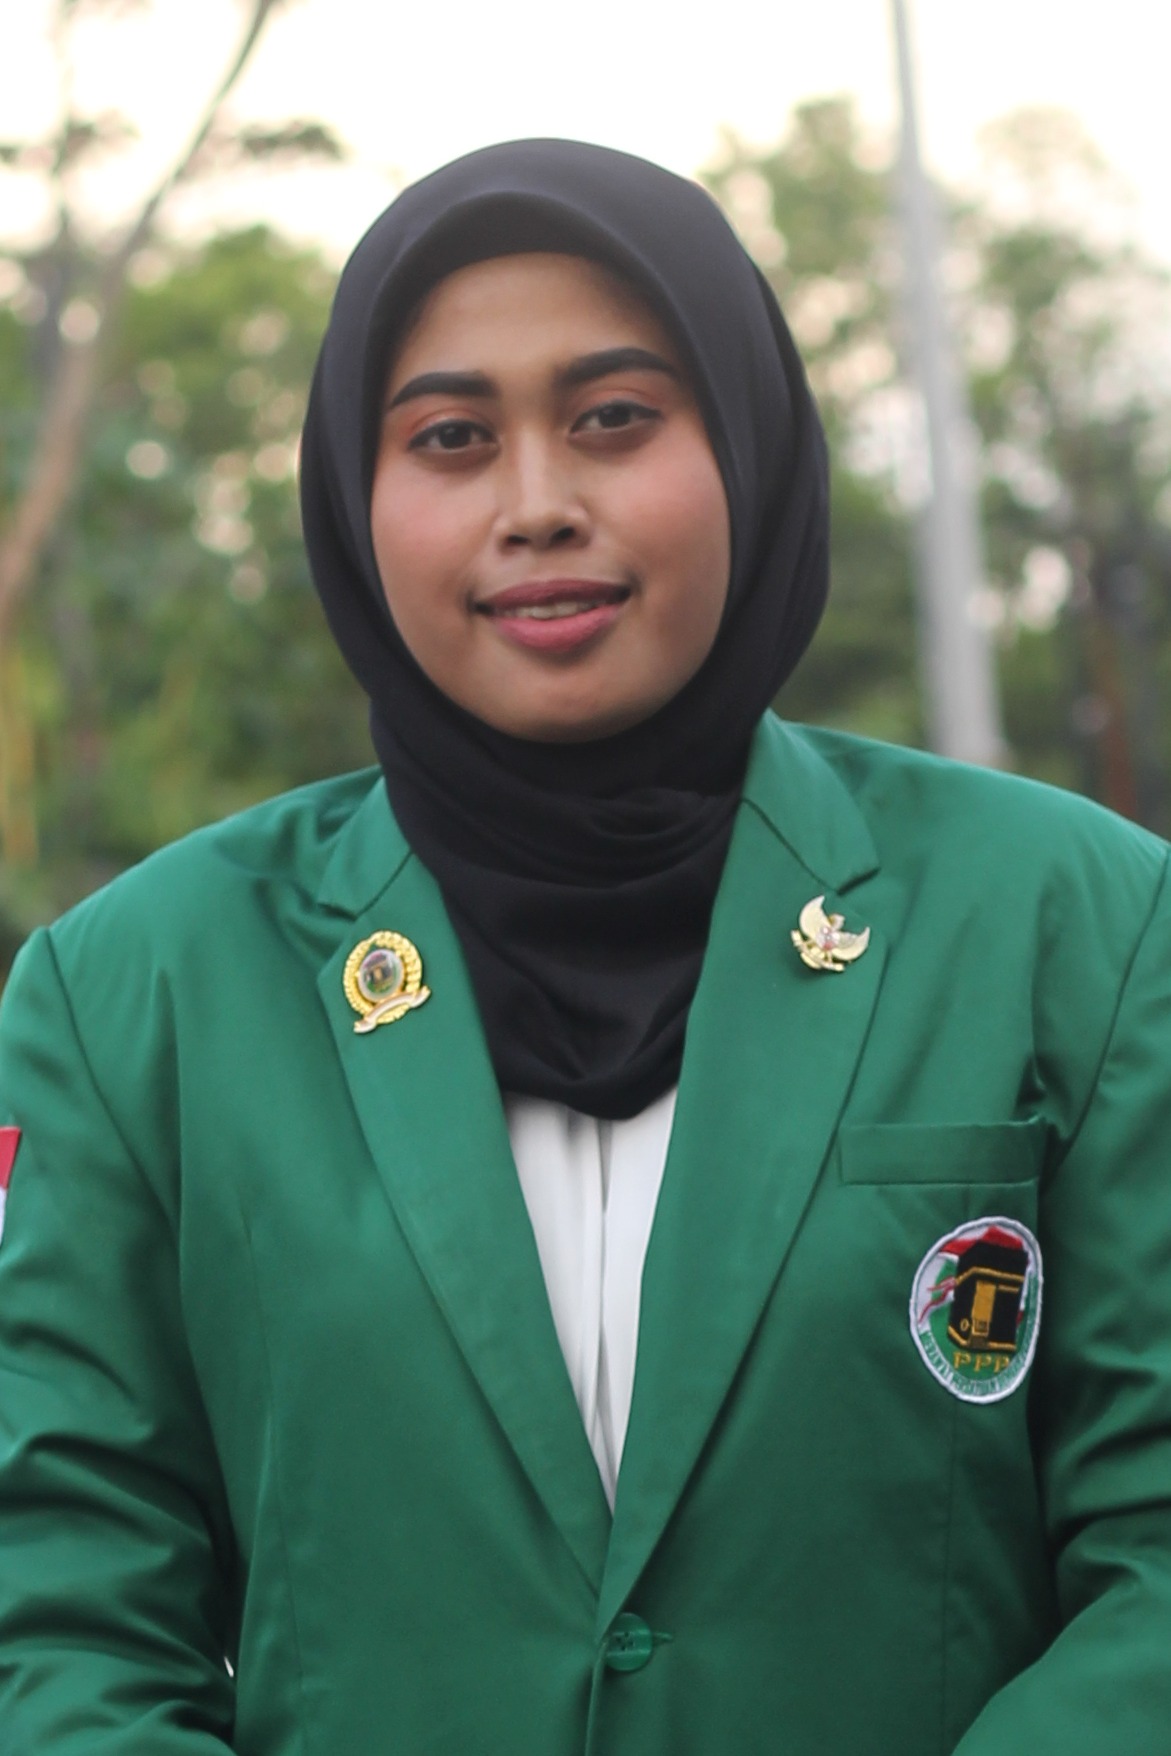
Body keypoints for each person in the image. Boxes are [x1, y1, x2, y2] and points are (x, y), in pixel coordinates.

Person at [1, 138, 1170, 1756]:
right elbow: (62, 1608)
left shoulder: (1076, 924)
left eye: (615, 418)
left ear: (747, 446)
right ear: (353, 496)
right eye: (451, 437)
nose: (539, 504)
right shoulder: (133, 994)